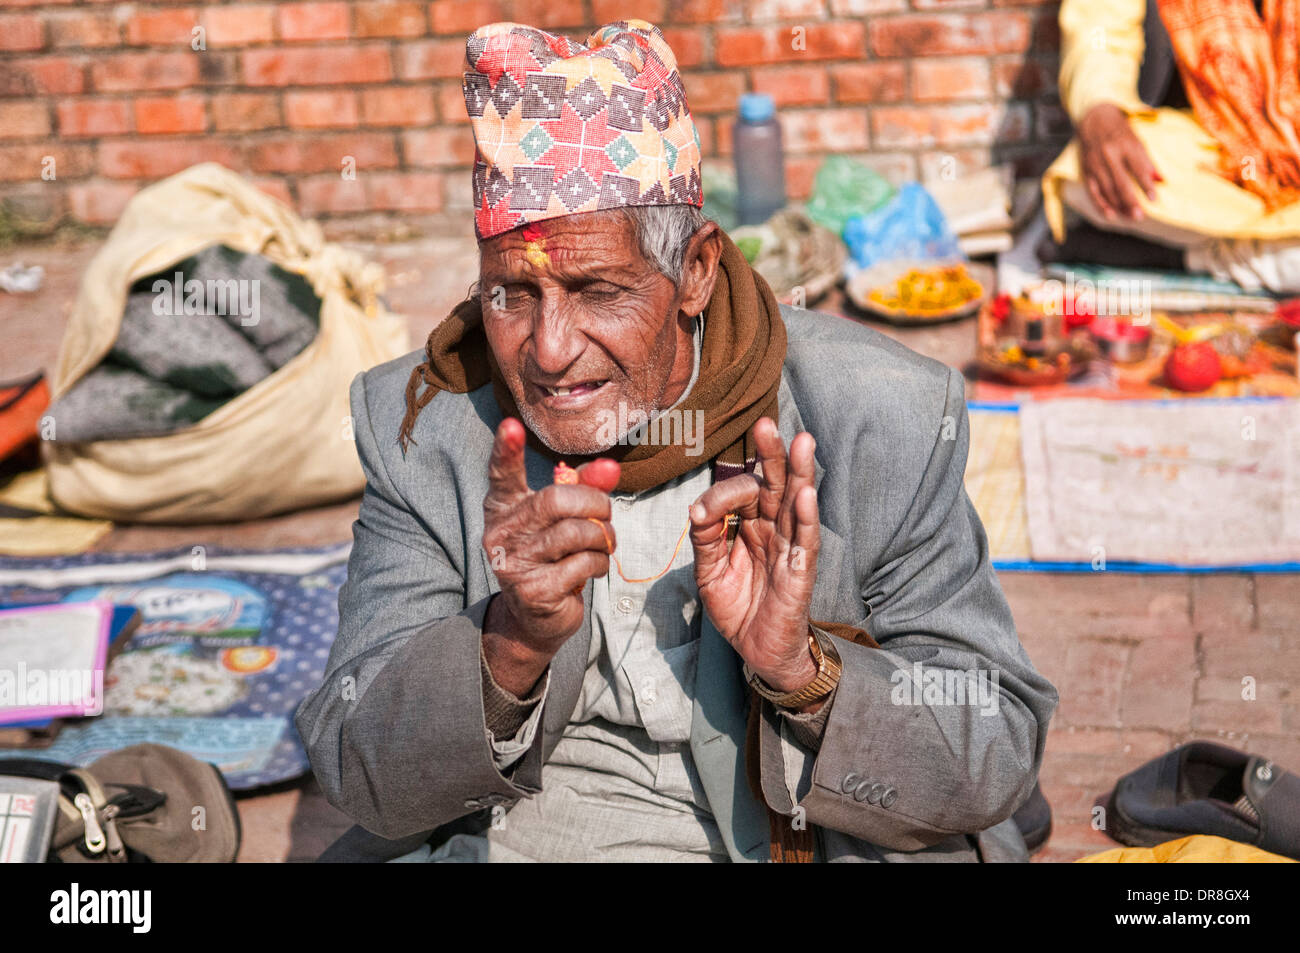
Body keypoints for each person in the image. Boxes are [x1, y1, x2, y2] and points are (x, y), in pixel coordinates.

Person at [295, 19, 1057, 863]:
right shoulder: (432, 430)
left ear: (694, 271)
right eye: (511, 295)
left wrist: (801, 670)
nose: (549, 350)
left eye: (598, 292)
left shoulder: (879, 417)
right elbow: (354, 759)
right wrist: (509, 641)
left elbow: (996, 749)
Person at [1043, 0, 1300, 292]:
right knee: (1083, 173)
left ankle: (1206, 256)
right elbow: (1100, 33)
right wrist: (1100, 111)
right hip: (1210, 154)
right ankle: (1272, 256)